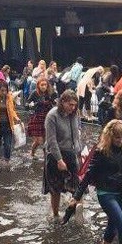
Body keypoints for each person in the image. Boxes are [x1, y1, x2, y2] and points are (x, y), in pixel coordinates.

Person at [69, 120, 122, 244]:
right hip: (106, 194)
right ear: (110, 136)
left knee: (112, 226)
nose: (120, 140)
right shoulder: (101, 152)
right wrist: (76, 196)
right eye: (117, 137)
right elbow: (88, 175)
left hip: (121, 192)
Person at [43, 90, 82, 218]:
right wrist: (59, 160)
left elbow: (76, 135)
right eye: (70, 104)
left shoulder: (75, 114)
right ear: (62, 102)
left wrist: (79, 153)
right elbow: (51, 140)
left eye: (75, 105)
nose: (73, 107)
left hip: (71, 153)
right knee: (56, 188)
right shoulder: (52, 116)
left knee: (78, 186)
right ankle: (55, 215)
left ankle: (77, 211)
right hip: (55, 155)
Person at [27, 78, 58, 159]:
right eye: (42, 85)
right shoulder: (35, 93)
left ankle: (46, 156)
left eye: (45, 85)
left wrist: (54, 101)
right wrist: (35, 104)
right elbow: (27, 103)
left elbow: (55, 103)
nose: (44, 87)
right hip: (37, 117)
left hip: (47, 118)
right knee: (38, 140)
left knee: (46, 139)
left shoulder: (50, 93)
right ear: (38, 85)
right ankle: (32, 153)